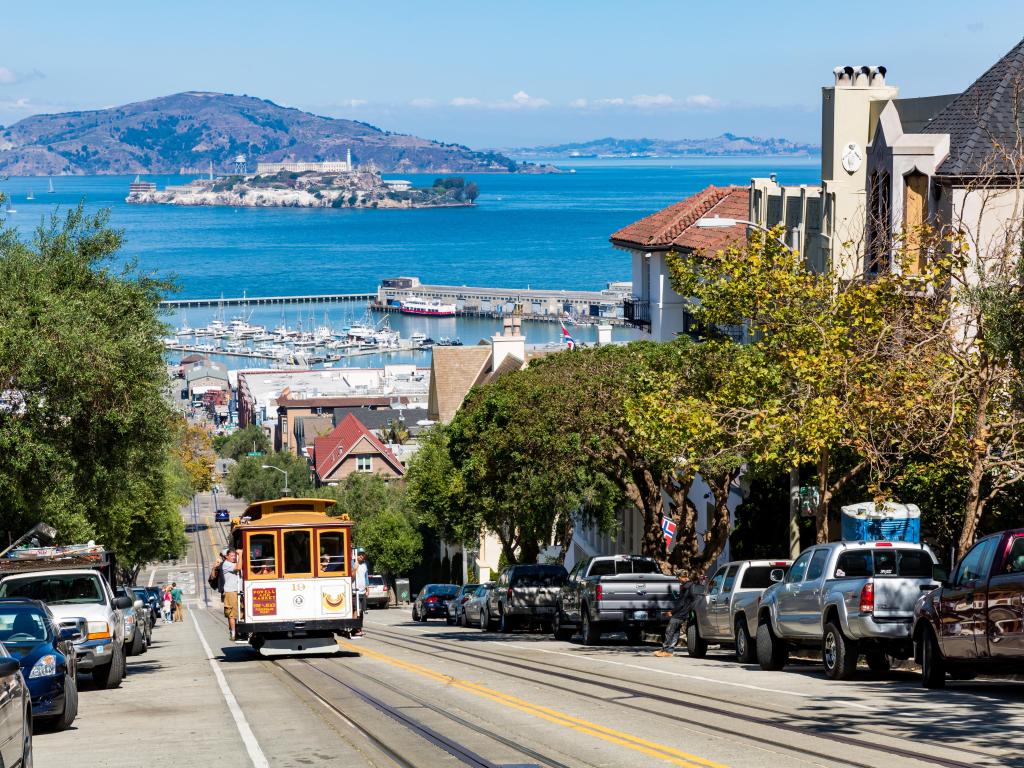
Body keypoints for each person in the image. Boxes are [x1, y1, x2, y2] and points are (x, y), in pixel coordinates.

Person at [653, 571, 701, 657]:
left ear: (683, 577)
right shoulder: (691, 586)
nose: (678, 580)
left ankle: (666, 650)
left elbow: (681, 603)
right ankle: (669, 651)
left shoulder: (686, 587)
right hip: (684, 612)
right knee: (675, 631)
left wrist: (671, 612)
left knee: (669, 630)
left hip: (680, 613)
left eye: (678, 578)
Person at [221, 549, 243, 642]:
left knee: (241, 612)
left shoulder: (233, 563)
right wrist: (240, 555)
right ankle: (233, 633)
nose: (234, 557)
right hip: (230, 592)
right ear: (226, 556)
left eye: (235, 555)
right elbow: (238, 567)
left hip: (237, 591)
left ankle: (239, 631)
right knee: (232, 614)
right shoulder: (226, 564)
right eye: (232, 555)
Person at [353, 550, 368, 637]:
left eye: (363, 555)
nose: (362, 556)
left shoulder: (364, 564)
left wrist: (367, 588)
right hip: (355, 591)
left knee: (362, 611)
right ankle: (354, 629)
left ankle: (359, 628)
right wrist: (355, 568)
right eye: (360, 555)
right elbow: (351, 576)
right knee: (356, 610)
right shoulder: (353, 563)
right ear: (356, 555)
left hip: (362, 591)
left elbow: (366, 577)